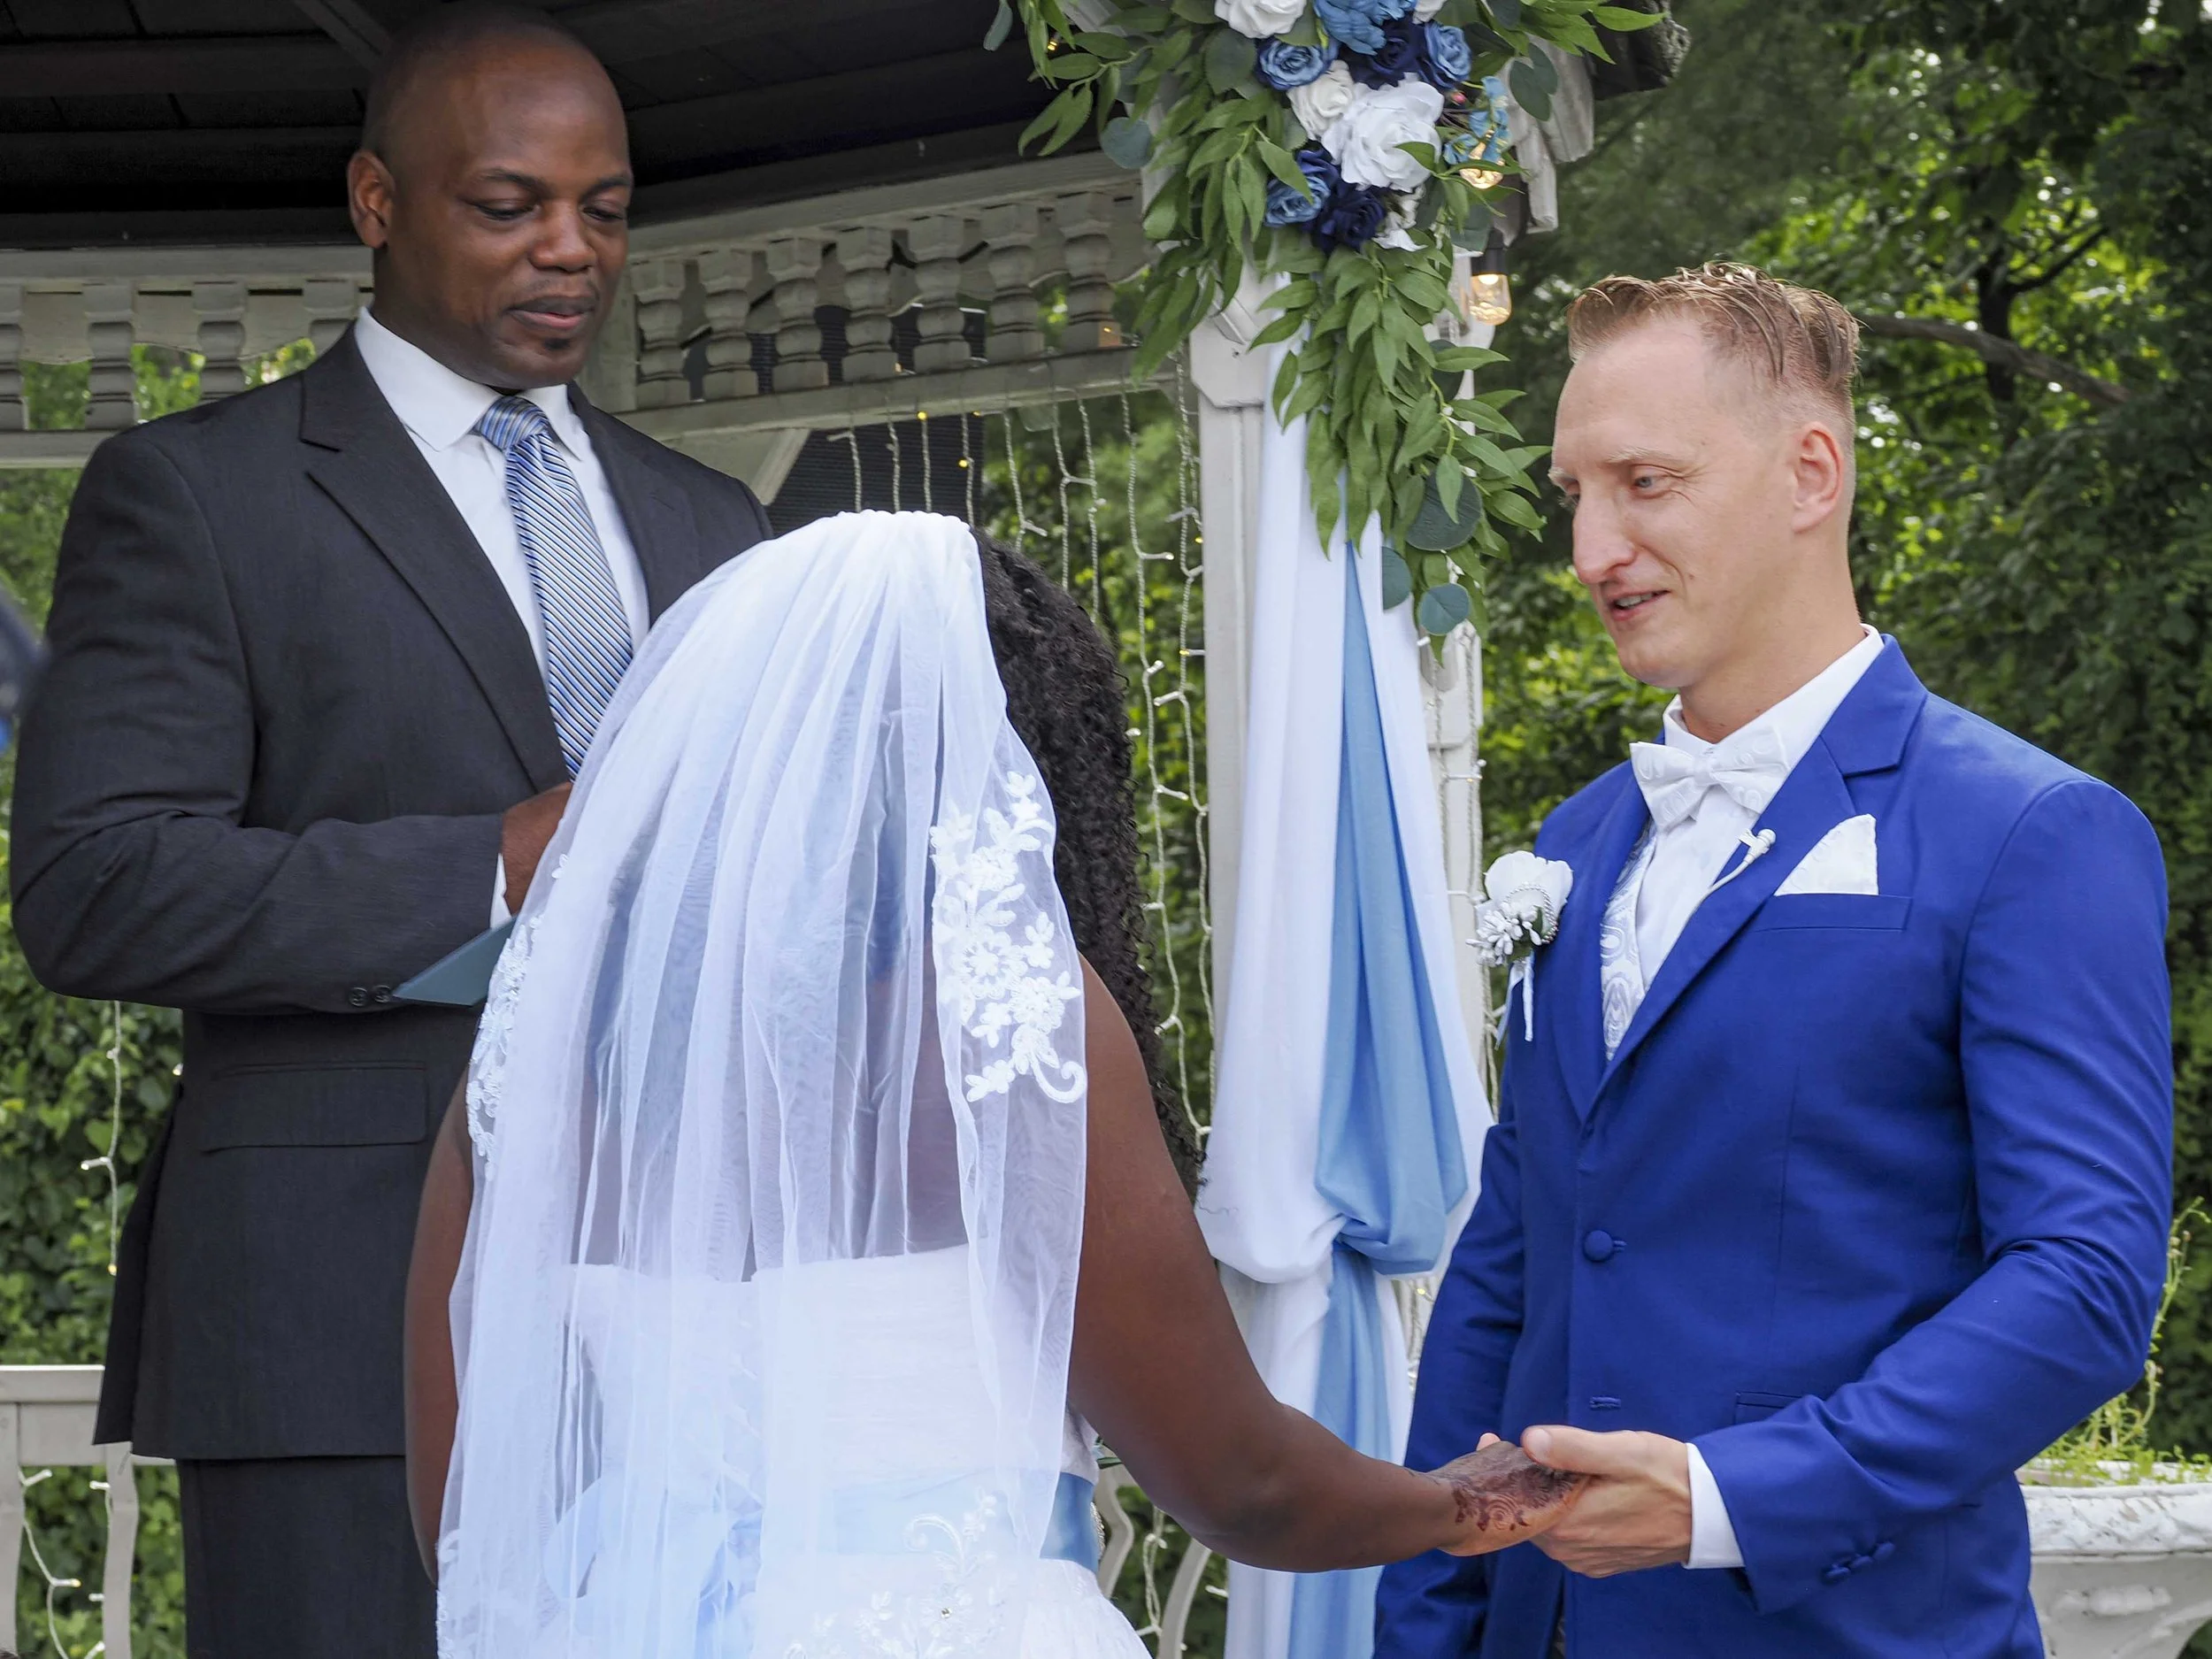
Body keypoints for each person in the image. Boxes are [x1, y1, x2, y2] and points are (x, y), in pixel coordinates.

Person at [404, 512, 1586, 1655]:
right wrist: (1454, 1502)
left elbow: (459, 1520)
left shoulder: (537, 1046)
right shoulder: (1005, 1016)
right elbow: (1239, 1483)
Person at [7, 10, 770, 1656]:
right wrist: (493, 866)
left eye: (605, 209)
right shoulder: (198, 495)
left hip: (693, 1318)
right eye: (510, 205)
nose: (571, 249)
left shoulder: (713, 521)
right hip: (338, 1323)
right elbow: (95, 885)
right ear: (376, 200)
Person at [1374, 263, 2173, 1657]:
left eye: (1645, 482)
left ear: (1812, 474)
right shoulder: (1577, 840)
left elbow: (2084, 1279)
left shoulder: (2030, 832)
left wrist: (1735, 1496)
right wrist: (1428, 1618)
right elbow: (1512, 1262)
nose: (1592, 550)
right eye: (1575, 495)